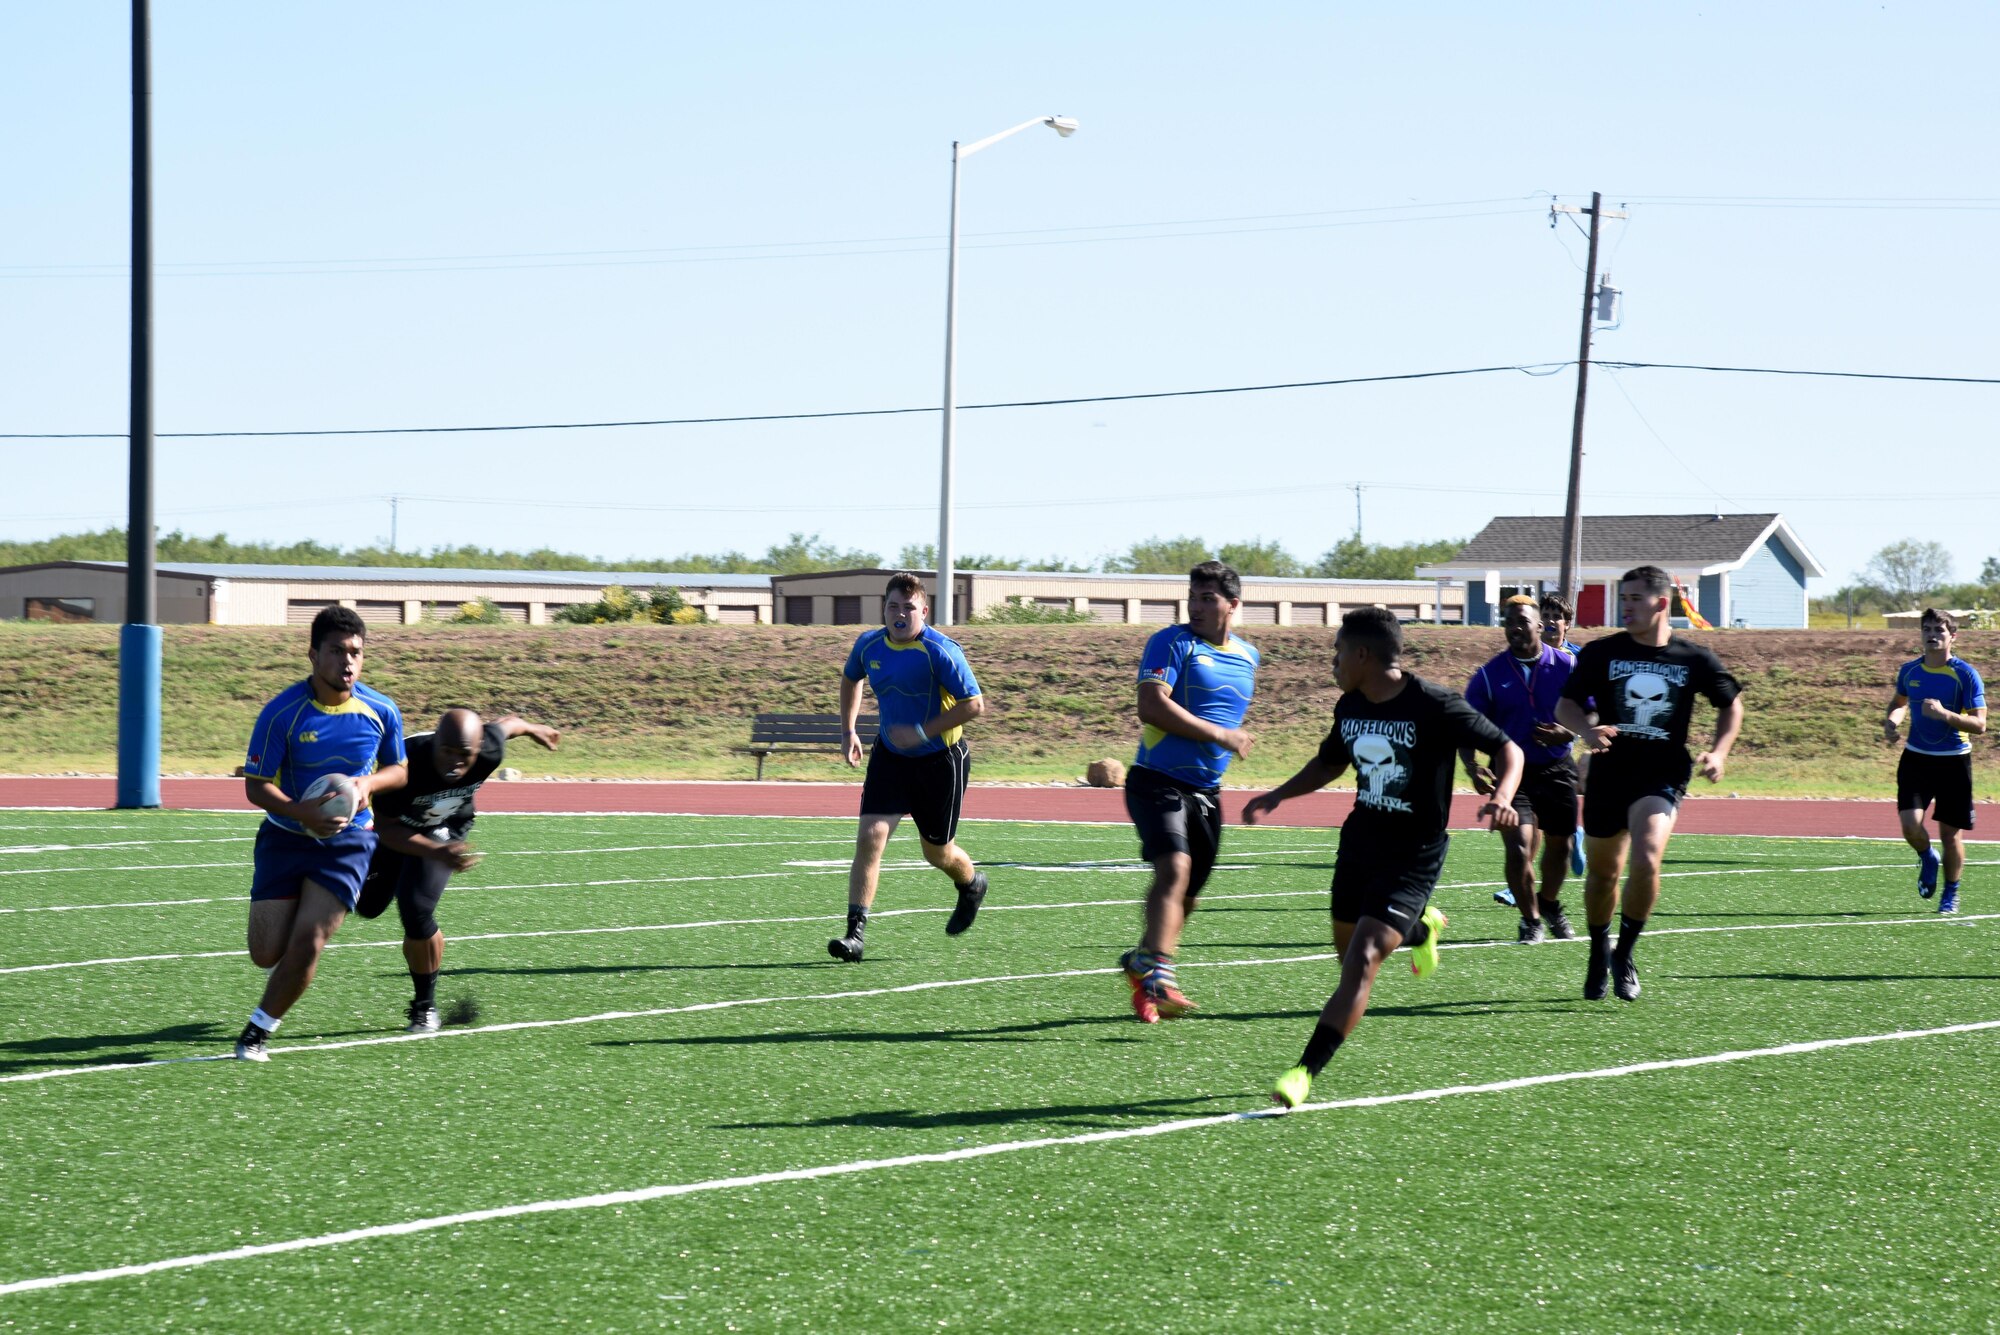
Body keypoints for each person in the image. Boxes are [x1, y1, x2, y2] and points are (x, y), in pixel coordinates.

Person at [1253, 607, 1522, 1109]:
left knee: (1363, 961)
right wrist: (1278, 795)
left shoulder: (1435, 704)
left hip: (1412, 854)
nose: (1332, 662)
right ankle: (1423, 929)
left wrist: (1503, 796)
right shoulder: (1350, 704)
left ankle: (1303, 1072)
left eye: (1337, 652)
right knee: (1348, 953)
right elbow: (1330, 762)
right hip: (1359, 844)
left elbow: (1509, 750)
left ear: (1362, 654)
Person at [1555, 565, 1743, 1003]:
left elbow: (1731, 706)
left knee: (1647, 858)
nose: (1627, 606)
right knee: (1603, 875)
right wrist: (1585, 730)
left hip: (1661, 774)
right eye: (1624, 598)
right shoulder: (1602, 653)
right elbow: (1565, 705)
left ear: (1661, 603)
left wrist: (1718, 752)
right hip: (1609, 772)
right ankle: (1599, 947)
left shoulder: (1693, 658)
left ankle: (1626, 952)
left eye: (1636, 598)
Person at [234, 606, 408, 1061]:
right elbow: (257, 786)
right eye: (336, 652)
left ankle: (258, 1031)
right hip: (285, 836)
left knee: (308, 941)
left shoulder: (381, 710)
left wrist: (367, 784)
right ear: (312, 654)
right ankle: (285, 961)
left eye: (356, 653)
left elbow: (399, 769)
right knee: (265, 952)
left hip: (348, 841)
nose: (347, 662)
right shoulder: (281, 713)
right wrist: (300, 812)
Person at [359, 708, 563, 1031]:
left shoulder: (489, 750)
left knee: (416, 911)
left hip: (446, 827)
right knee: (368, 907)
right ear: (434, 741)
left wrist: (534, 727)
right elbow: (386, 827)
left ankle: (424, 1006)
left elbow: (505, 725)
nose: (455, 762)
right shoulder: (403, 764)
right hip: (397, 830)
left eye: (464, 755)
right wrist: (434, 851)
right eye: (448, 752)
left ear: (479, 750)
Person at [1118, 560, 1260, 1022]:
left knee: (1191, 893)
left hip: (1206, 792)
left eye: (1207, 598)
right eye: (1192, 596)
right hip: (1156, 780)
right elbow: (1150, 705)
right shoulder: (1171, 642)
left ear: (1233, 605)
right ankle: (1161, 972)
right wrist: (1220, 736)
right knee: (1174, 869)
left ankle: (1142, 960)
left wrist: (1222, 740)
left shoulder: (1248, 656)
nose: (1195, 606)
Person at [828, 572, 989, 962]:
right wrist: (849, 729)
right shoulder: (869, 644)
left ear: (924, 611)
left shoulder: (941, 651)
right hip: (890, 757)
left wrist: (921, 731)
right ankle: (855, 935)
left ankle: (971, 884)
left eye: (909, 608)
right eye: (893, 607)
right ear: (883, 609)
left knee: (937, 853)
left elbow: (975, 705)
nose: (900, 615)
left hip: (941, 762)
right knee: (871, 836)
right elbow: (851, 680)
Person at [1461, 596, 1579, 942]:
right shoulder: (1489, 675)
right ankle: (1531, 920)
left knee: (1563, 847)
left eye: (1522, 622)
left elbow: (1591, 713)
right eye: (1508, 622)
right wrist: (1472, 766)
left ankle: (1550, 903)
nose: (1514, 628)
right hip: (1512, 777)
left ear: (1540, 626)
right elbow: (1465, 725)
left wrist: (1568, 731)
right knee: (1519, 847)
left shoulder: (1566, 666)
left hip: (1557, 767)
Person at [1884, 609, 1987, 913]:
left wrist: (1945, 715)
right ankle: (1927, 855)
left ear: (1952, 636)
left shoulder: (1965, 674)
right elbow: (1899, 703)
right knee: (1910, 826)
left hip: (1954, 762)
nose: (1932, 635)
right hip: (1916, 759)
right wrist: (1892, 721)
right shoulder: (1910, 671)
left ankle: (1951, 892)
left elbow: (1980, 725)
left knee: (1949, 834)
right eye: (1927, 629)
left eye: (1939, 630)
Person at [1539, 591, 1588, 879]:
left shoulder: (1577, 658)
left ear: (1567, 623)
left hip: (1563, 736)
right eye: (1545, 616)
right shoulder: (1529, 653)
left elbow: (1592, 698)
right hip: (1531, 734)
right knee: (1533, 810)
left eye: (1556, 617)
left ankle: (1574, 831)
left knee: (1544, 804)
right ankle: (1574, 830)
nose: (1550, 621)